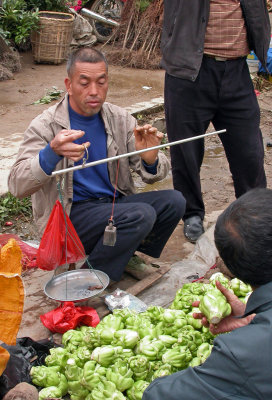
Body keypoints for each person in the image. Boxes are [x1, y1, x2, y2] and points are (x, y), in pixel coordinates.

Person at [8, 47, 186, 282]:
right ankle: (92, 278)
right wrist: (50, 153)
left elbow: (154, 174)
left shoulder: (119, 119)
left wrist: (150, 158)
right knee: (140, 215)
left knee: (174, 202)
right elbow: (16, 185)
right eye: (84, 83)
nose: (94, 91)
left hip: (112, 206)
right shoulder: (46, 125)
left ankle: (125, 253)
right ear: (68, 84)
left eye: (101, 82)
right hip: (71, 217)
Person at [143, 187, 272, 399]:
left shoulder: (246, 353)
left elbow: (159, 395)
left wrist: (253, 337)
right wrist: (256, 319)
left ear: (235, 271)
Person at [162, 0, 271, 242]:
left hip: (237, 71)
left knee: (250, 153)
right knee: (186, 150)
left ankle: (253, 215)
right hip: (188, 72)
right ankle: (191, 213)